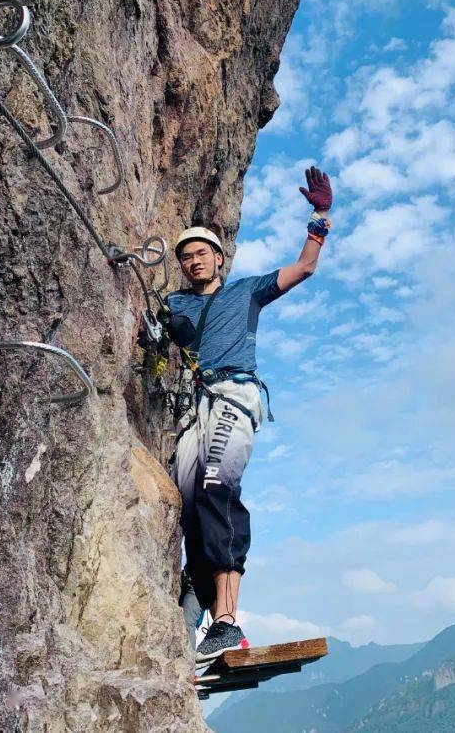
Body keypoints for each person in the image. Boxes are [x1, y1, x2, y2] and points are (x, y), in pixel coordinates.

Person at [164, 166, 333, 661]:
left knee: (218, 489)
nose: (195, 261)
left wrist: (320, 216)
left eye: (203, 254)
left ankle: (229, 622)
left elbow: (303, 269)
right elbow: (163, 337)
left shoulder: (247, 291)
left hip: (235, 397)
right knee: (189, 504)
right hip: (197, 407)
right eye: (187, 257)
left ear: (220, 259)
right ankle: (197, 599)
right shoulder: (175, 304)